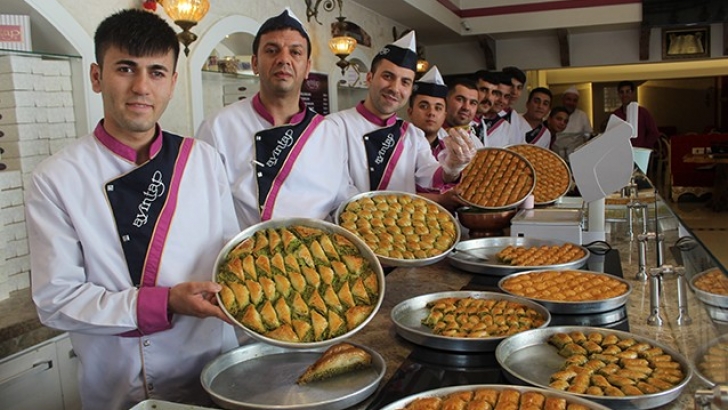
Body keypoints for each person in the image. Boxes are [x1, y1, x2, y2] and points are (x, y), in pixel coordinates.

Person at [25, 9, 238, 410]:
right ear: (96, 76)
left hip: (214, 372)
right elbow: (56, 301)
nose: (141, 87)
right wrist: (165, 302)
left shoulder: (202, 159)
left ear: (172, 83)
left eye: (157, 72)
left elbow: (230, 255)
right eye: (126, 68)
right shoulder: (56, 178)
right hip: (119, 385)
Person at [195, 8, 352, 227]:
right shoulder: (218, 127)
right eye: (272, 50)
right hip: (245, 246)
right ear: (255, 63)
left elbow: (341, 199)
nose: (284, 59)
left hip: (319, 245)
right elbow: (203, 207)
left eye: (295, 52)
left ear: (307, 67)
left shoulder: (330, 132)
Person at [327, 31, 475, 194]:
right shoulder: (334, 127)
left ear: (410, 90)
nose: (395, 88)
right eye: (387, 76)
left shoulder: (413, 135)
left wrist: (452, 168)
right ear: (369, 78)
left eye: (405, 82)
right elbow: (329, 187)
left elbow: (430, 176)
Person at [611, 80, 660, 149]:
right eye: (622, 92)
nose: (624, 95)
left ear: (632, 93)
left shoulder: (643, 112)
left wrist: (644, 146)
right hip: (622, 151)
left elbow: (654, 132)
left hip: (640, 151)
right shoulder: (616, 115)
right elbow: (611, 135)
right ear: (619, 94)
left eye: (627, 91)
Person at [552, 86, 592, 160]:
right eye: (568, 99)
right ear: (563, 100)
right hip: (555, 157)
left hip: (577, 157)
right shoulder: (553, 114)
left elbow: (588, 137)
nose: (571, 103)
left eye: (574, 100)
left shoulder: (582, 116)